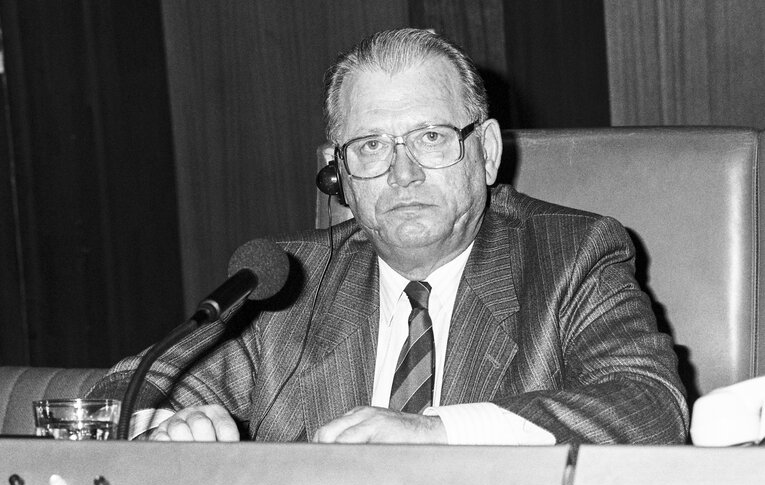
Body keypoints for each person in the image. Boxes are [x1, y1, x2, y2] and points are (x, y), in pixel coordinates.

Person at [88, 28, 688, 445]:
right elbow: (126, 391)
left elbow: (649, 405)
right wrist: (163, 430)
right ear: (340, 174)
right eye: (371, 146)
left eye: (430, 136)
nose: (403, 173)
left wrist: (439, 432)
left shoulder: (573, 256)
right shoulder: (286, 282)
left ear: (486, 152)